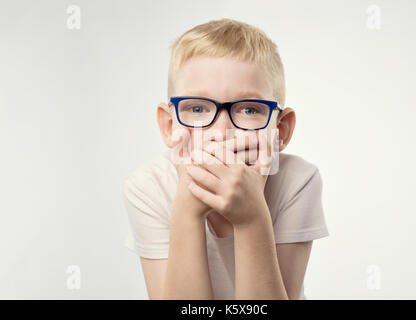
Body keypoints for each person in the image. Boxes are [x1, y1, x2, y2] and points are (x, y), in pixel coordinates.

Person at [123, 18, 329, 300]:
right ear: (170, 126)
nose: (221, 133)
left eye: (248, 110)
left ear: (280, 130)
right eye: (197, 107)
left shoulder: (297, 182)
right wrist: (186, 209)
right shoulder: (148, 187)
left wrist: (251, 218)